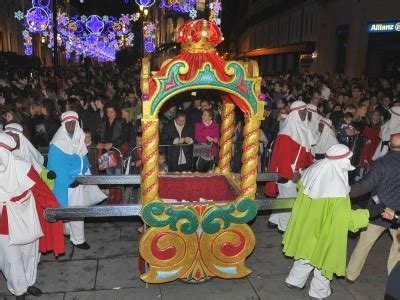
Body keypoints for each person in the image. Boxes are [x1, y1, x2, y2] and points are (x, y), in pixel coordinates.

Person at [282, 144, 377, 299]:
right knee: (324, 259)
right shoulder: (337, 189)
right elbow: (346, 219)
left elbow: (302, 187)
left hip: (307, 224)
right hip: (326, 229)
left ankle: (294, 280)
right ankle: (318, 291)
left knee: (305, 253)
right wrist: (368, 213)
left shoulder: (312, 171)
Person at [0, 133, 64, 300]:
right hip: (3, 222)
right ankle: (19, 290)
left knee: (30, 253)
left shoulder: (24, 167)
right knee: (11, 260)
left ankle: (28, 282)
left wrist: (52, 208)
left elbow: (40, 190)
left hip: (27, 214)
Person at [346, 133, 400, 283]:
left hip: (379, 210)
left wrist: (345, 193)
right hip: (398, 215)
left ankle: (351, 275)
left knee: (364, 244)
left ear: (389, 146)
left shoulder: (382, 163)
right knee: (398, 251)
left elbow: (365, 185)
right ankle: (394, 280)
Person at [265, 101, 315, 232]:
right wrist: (289, 174)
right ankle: (284, 228)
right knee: (289, 201)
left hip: (295, 172)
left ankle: (274, 220)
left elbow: (306, 152)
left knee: (283, 197)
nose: (306, 114)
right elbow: (283, 157)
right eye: (303, 112)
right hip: (288, 173)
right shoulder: (287, 132)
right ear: (296, 113)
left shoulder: (300, 129)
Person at [47, 111, 91, 250]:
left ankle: (76, 237)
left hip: (78, 181)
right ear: (64, 124)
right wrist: (69, 181)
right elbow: (56, 166)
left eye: (74, 123)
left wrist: (84, 175)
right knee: (73, 210)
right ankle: (76, 238)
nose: (71, 125)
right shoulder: (58, 143)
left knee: (76, 210)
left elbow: (84, 158)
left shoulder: (78, 138)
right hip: (66, 185)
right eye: (68, 123)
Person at [4, 123, 56, 188]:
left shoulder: (27, 153)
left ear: (20, 137)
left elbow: (38, 171)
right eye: (8, 135)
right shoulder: (4, 154)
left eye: (13, 135)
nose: (10, 138)